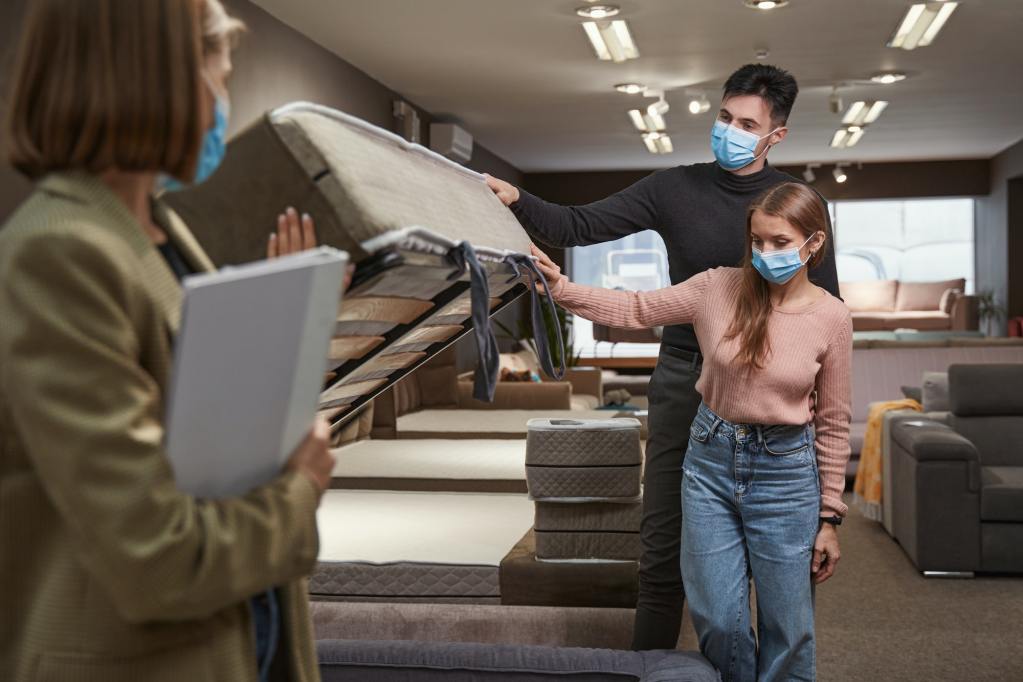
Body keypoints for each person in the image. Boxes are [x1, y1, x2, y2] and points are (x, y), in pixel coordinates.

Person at [0, 1, 332, 681]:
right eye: (220, 73)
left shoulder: (163, 232)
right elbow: (156, 555)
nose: (221, 100)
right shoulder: (59, 252)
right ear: (161, 75)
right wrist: (300, 488)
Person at [486, 64, 841, 650]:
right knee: (663, 546)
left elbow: (825, 310)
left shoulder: (797, 206)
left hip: (775, 392)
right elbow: (578, 225)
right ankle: (647, 664)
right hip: (687, 377)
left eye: (746, 123)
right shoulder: (674, 188)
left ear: (775, 135)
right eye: (725, 117)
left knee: (778, 561)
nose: (730, 129)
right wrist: (517, 198)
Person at [530, 182, 852, 681]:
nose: (765, 254)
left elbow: (833, 419)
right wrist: (562, 289)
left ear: (813, 245)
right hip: (710, 463)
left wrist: (830, 515)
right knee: (719, 621)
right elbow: (635, 309)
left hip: (787, 475)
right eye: (758, 241)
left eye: (781, 243)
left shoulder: (832, 317)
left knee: (788, 630)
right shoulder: (716, 288)